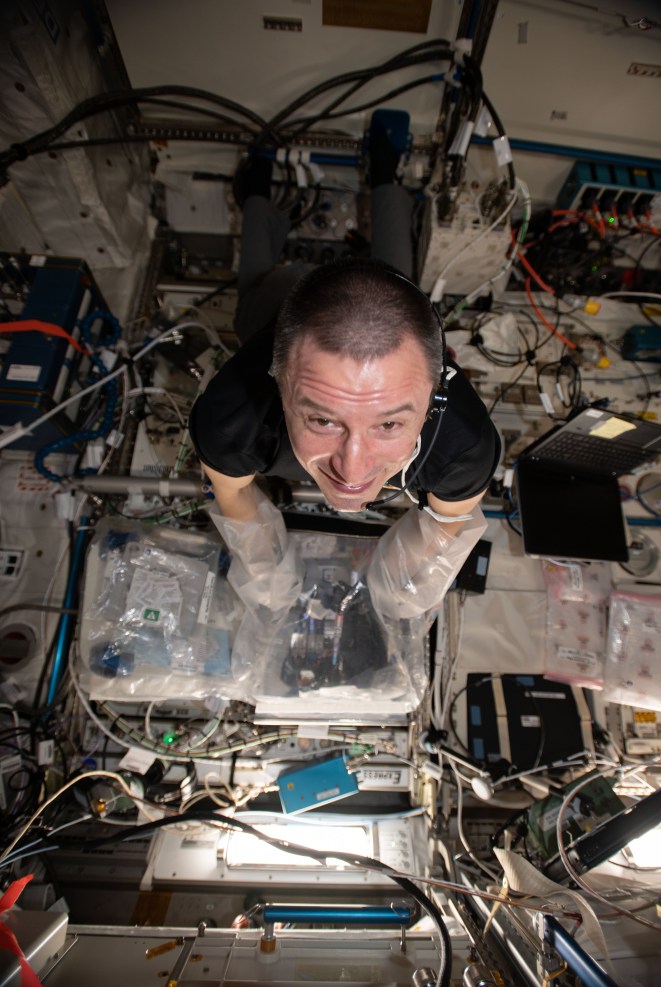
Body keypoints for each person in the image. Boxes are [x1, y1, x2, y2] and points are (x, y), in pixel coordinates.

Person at [189, 134, 500, 625]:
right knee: (255, 291)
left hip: (380, 298)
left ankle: (384, 170)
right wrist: (269, 581)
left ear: (434, 398)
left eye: (389, 425)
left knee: (392, 278)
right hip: (277, 305)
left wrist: (396, 597)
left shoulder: (464, 448)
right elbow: (236, 502)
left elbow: (441, 535)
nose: (352, 474)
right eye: (322, 420)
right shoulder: (231, 418)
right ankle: (259, 188)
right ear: (277, 385)